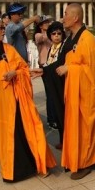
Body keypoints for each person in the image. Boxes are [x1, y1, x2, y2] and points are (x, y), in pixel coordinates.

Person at [56, 3, 95, 180]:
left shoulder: (87, 39)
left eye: (65, 14)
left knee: (85, 130)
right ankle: (76, 158)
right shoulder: (73, 37)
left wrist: (70, 69)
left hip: (86, 94)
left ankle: (86, 161)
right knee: (75, 129)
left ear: (75, 18)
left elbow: (90, 71)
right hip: (74, 93)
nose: (63, 17)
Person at [0, 24, 57, 182]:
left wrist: (16, 73)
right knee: (9, 135)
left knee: (27, 129)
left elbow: (23, 68)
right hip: (3, 104)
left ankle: (36, 164)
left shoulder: (8, 49)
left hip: (18, 99)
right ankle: (13, 170)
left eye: (2, 28)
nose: (2, 31)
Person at [38, 21, 67, 149]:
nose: (56, 36)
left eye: (59, 33)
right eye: (53, 34)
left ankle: (65, 140)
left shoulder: (64, 48)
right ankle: (62, 140)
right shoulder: (51, 48)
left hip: (61, 83)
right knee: (56, 111)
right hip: (52, 81)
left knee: (62, 113)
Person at [34, 15, 56, 127]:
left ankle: (55, 117)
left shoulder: (52, 35)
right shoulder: (39, 35)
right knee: (50, 93)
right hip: (44, 65)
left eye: (48, 22)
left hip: (53, 65)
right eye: (46, 23)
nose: (48, 24)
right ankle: (51, 119)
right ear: (41, 26)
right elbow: (42, 39)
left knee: (54, 92)